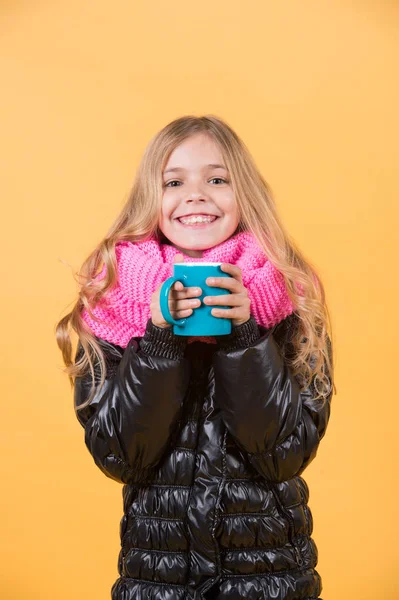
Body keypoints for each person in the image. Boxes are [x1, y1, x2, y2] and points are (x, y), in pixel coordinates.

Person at [55, 114, 336, 600]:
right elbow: (122, 455)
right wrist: (160, 340)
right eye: (174, 181)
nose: (196, 194)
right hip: (159, 580)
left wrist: (244, 336)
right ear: (151, 198)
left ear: (243, 193)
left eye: (217, 179)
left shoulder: (291, 297)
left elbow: (285, 454)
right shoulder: (114, 300)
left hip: (268, 577)